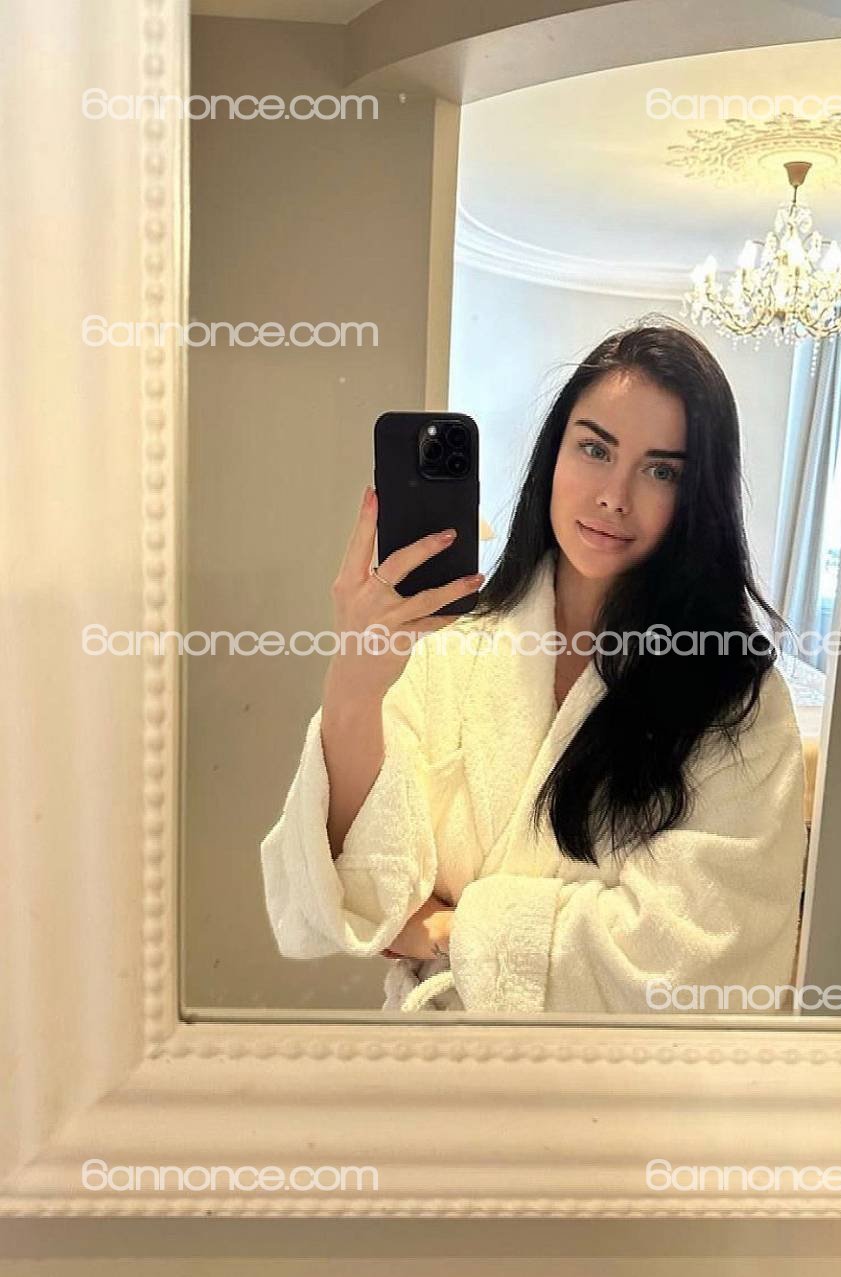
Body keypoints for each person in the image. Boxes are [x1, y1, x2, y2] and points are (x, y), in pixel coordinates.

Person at [259, 322, 809, 1014]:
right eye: (595, 449)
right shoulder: (449, 648)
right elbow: (354, 887)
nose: (615, 495)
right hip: (430, 1066)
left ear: (698, 497)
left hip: (619, 1080)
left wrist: (457, 932)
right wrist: (353, 685)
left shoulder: (733, 697)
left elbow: (704, 960)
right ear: (554, 454)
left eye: (662, 470)